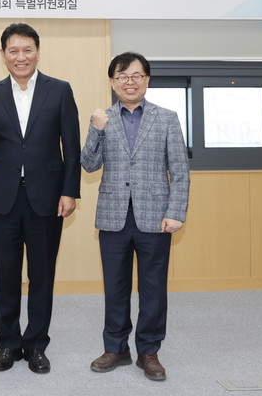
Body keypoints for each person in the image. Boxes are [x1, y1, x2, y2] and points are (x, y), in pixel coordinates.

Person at [0, 23, 81, 374]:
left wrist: (70, 190)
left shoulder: (59, 90)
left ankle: (36, 345)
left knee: (42, 274)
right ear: (3, 54)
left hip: (47, 196)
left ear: (37, 51)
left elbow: (71, 145)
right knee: (5, 273)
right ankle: (8, 343)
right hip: (5, 197)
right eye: (13, 51)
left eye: (27, 50)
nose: (21, 57)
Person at [82, 52, 190, 382]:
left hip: (156, 217)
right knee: (115, 287)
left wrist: (175, 212)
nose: (129, 82)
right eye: (122, 76)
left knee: (153, 288)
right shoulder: (102, 118)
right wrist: (96, 130)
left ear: (147, 79)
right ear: (112, 82)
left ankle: (149, 351)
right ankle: (115, 348)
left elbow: (180, 171)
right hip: (113, 215)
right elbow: (89, 164)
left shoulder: (167, 118)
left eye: (136, 75)